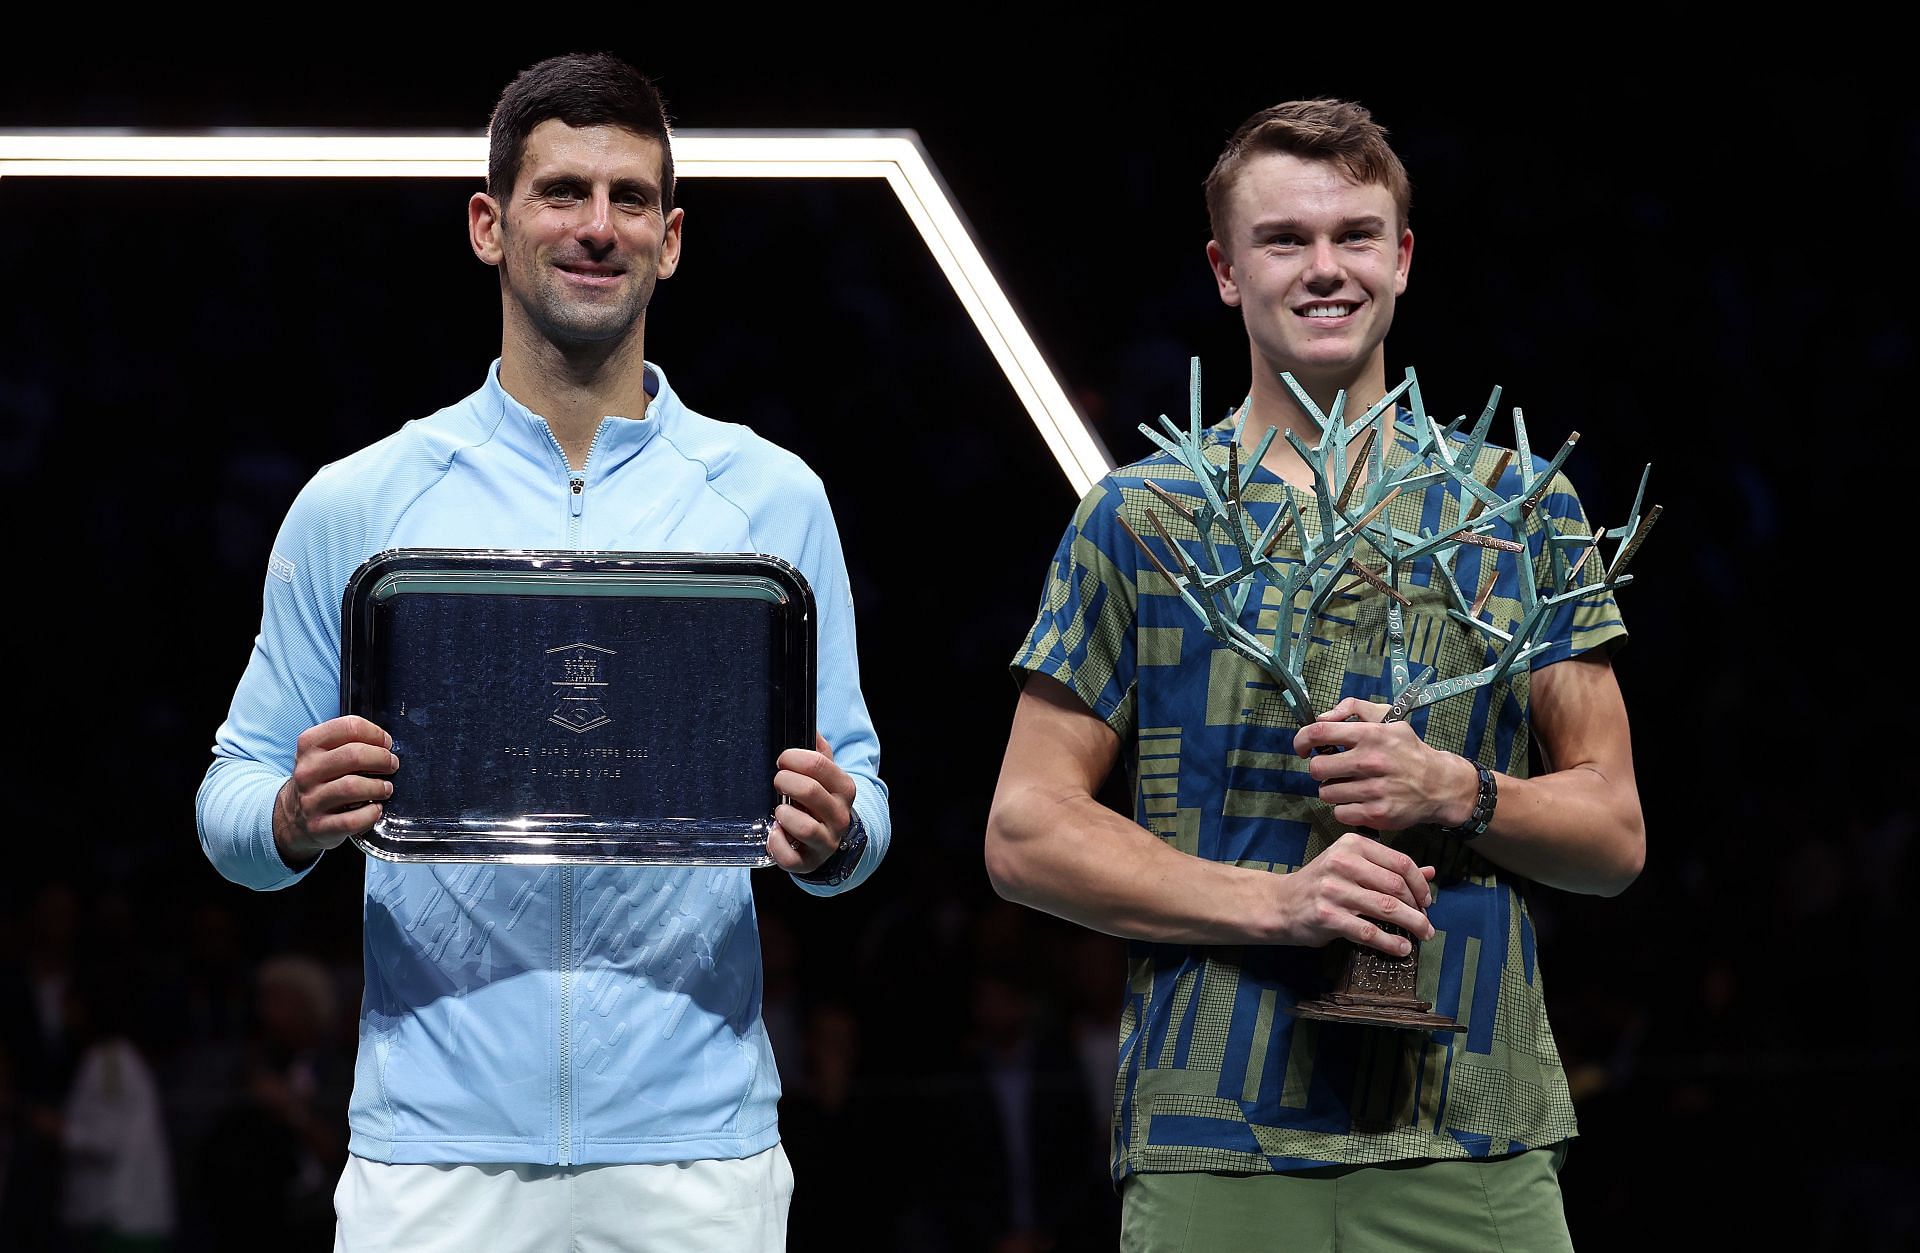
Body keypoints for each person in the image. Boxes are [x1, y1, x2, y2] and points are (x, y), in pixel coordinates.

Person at [196, 52, 889, 1253]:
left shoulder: (771, 498)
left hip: (696, 1151)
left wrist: (834, 836)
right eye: (563, 190)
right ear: (489, 223)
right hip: (433, 1151)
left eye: (631, 200)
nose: (598, 227)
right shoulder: (359, 502)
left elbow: (862, 800)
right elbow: (230, 799)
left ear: (671, 240)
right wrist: (298, 815)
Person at [985, 98, 1643, 1251]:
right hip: (1214, 1143)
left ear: (1402, 257)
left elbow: (1613, 833)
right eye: (1284, 239)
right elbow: (1026, 830)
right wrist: (1278, 904)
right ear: (1226, 270)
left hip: (1474, 1133)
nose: (1323, 267)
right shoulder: (1139, 519)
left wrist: (1463, 792)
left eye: (1354, 234)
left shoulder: (1519, 507)